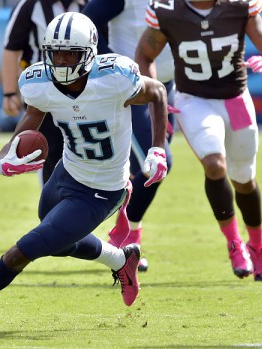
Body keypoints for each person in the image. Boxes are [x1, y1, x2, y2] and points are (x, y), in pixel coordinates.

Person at [0, 12, 169, 335]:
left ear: (89, 53)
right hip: (65, 174)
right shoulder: (41, 82)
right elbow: (26, 125)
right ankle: (120, 260)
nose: (62, 61)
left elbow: (157, 93)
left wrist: (157, 147)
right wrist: (6, 157)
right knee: (57, 242)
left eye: (70, 53)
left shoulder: (113, 76)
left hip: (102, 189)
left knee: (20, 253)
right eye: (56, 53)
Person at [135, 0, 262, 282]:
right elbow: (144, 55)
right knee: (215, 165)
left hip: (237, 100)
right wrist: (155, 94)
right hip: (195, 100)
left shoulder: (239, 5)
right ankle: (233, 243)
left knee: (244, 178)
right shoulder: (167, 9)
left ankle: (258, 246)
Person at [82, 0, 177, 272]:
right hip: (132, 90)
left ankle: (125, 239)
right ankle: (124, 239)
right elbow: (86, 25)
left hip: (165, 87)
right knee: (158, 162)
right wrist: (115, 67)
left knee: (145, 169)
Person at [1, 0, 88, 186]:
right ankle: (52, 204)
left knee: (84, 148)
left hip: (83, 90)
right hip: (43, 91)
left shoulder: (90, 4)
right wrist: (9, 93)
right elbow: (11, 48)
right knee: (49, 150)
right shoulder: (29, 5)